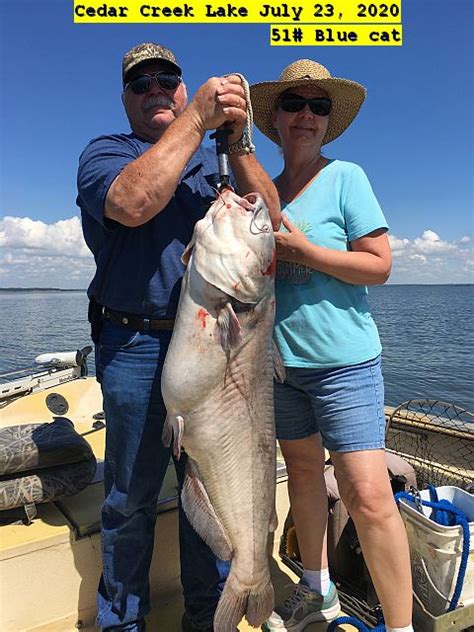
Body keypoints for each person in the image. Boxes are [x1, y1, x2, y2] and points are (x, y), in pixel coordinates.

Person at [76, 42, 279, 632]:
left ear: (183, 85)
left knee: (206, 497)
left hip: (225, 344)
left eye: (168, 78)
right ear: (125, 99)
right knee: (130, 501)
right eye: (141, 84)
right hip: (135, 347)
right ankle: (123, 622)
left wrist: (237, 140)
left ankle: (210, 614)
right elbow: (134, 201)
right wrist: (196, 122)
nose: (156, 89)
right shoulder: (107, 154)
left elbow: (270, 225)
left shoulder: (211, 164)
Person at [250, 60, 413, 632]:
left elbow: (380, 266)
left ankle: (400, 626)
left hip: (344, 364)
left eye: (319, 107)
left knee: (367, 494)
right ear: (275, 116)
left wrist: (303, 252)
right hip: (281, 365)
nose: (307, 115)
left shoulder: (347, 176)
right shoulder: (264, 192)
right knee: (300, 473)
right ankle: (318, 592)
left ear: (329, 122)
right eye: (295, 102)